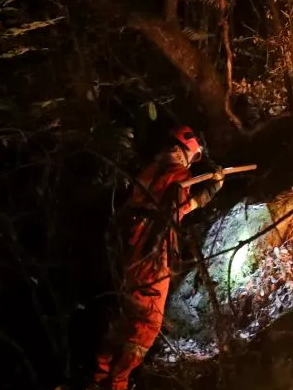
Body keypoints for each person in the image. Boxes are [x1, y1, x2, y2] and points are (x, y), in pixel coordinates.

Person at [91, 126, 224, 390]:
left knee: (123, 318)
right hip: (150, 256)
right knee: (146, 324)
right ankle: (115, 384)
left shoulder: (151, 170)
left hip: (129, 253)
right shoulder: (177, 174)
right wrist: (211, 191)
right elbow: (177, 210)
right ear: (187, 150)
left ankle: (97, 378)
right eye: (193, 156)